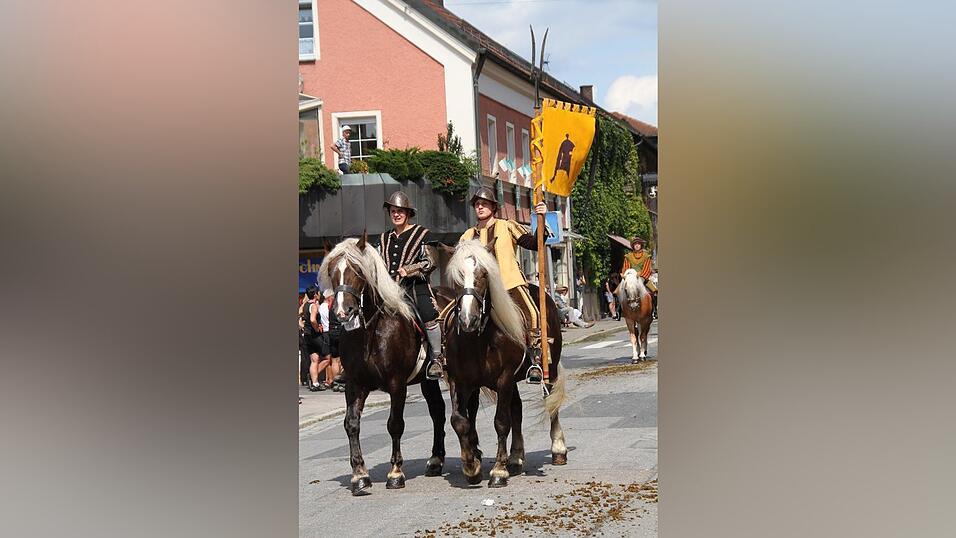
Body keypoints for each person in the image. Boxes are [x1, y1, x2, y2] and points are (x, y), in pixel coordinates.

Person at [457, 185, 548, 383]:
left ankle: (536, 359)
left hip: (509, 283)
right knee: (448, 315)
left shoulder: (507, 226)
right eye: (477, 204)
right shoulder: (467, 235)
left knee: (533, 314)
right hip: (478, 290)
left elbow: (533, 243)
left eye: (484, 204)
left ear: (493, 207)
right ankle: (447, 357)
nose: (480, 207)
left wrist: (542, 220)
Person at [368, 191, 444, 381]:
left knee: (428, 313)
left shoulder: (423, 234)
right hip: (388, 289)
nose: (396, 214)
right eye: (393, 211)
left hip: (414, 287)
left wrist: (409, 269)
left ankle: (437, 358)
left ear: (408, 213)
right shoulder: (383, 239)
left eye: (400, 211)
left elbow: (431, 261)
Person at [303, 286, 331, 391]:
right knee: (327, 358)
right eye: (318, 293)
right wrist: (317, 328)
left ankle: (315, 383)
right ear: (315, 294)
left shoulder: (305, 305)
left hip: (307, 335)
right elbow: (312, 319)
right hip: (315, 335)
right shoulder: (314, 306)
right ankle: (312, 376)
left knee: (314, 360)